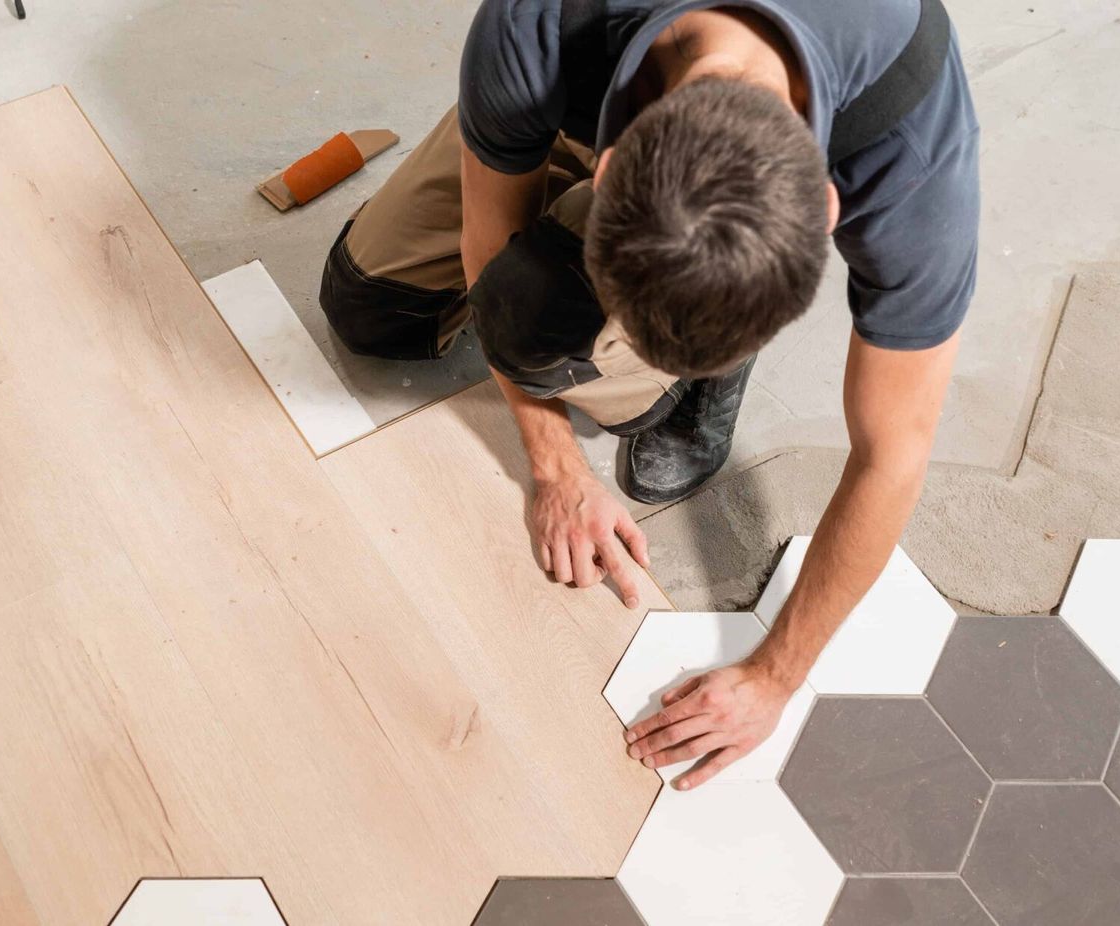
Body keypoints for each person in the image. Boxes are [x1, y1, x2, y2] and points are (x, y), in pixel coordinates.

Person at [317, 0, 978, 789]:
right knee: (382, 310)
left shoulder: (910, 144)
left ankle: (720, 331)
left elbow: (893, 453)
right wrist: (557, 466)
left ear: (829, 205)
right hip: (574, 99)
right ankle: (574, 191)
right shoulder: (537, 22)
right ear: (609, 171)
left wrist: (775, 674)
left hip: (652, 124)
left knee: (551, 317)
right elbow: (491, 249)